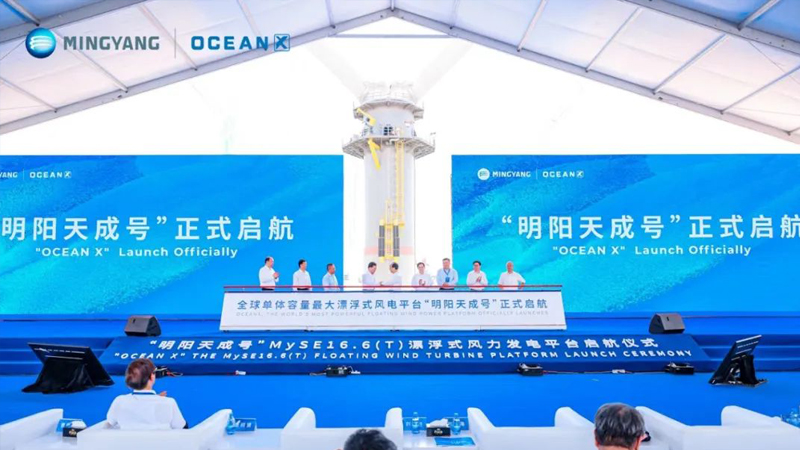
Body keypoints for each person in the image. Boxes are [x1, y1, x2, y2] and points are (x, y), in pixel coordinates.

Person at [106, 358, 186, 430]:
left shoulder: (119, 401)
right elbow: (181, 427)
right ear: (152, 376)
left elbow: (110, 423)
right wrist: (157, 400)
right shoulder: (169, 402)